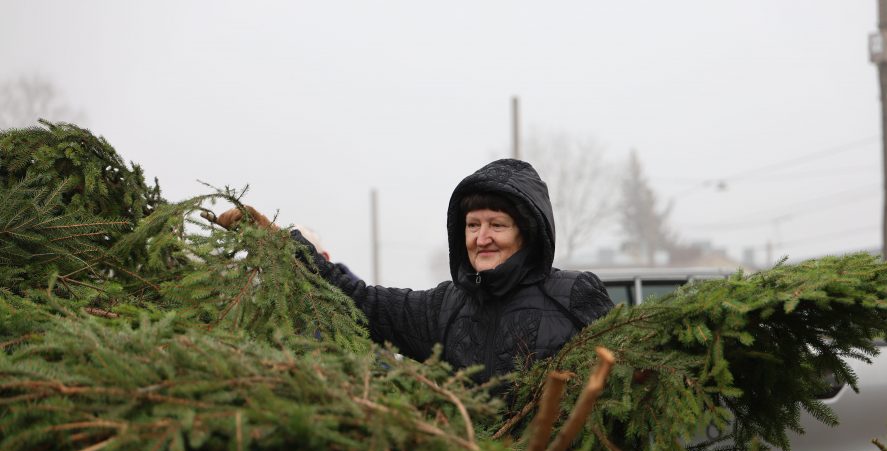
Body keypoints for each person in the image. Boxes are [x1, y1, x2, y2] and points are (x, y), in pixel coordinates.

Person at [215, 158, 613, 381]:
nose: (482, 238)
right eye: (473, 226)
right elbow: (360, 302)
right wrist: (281, 245)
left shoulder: (572, 295)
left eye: (497, 225)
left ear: (526, 233)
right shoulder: (446, 306)